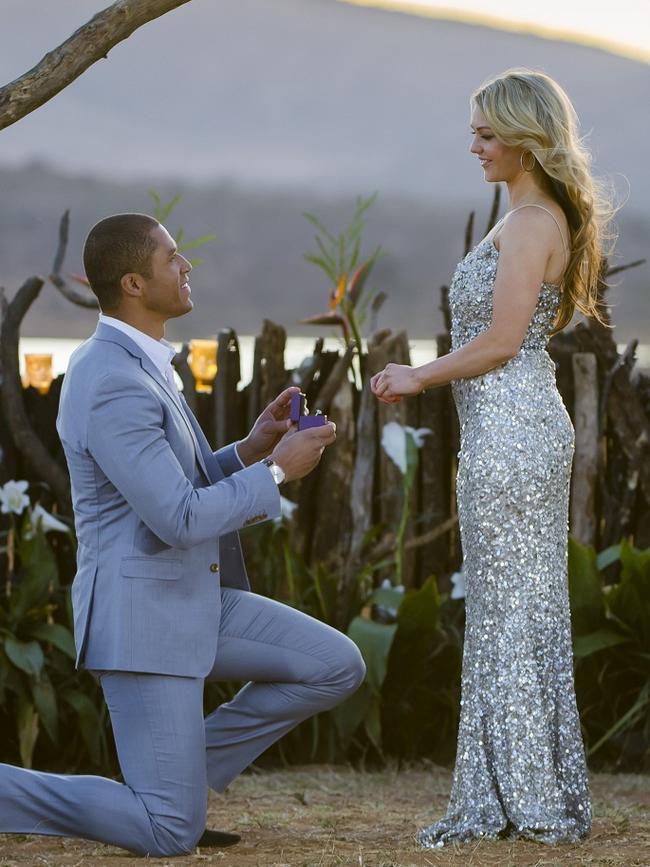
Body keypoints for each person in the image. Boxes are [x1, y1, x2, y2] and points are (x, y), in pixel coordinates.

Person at [0, 213, 365, 857]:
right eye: (174, 258)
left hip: (194, 596)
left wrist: (253, 448)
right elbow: (178, 518)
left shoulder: (141, 362)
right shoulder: (112, 379)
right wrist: (278, 472)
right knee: (169, 832)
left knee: (334, 665)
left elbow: (176, 487)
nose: (187, 266)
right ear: (136, 282)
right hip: (144, 616)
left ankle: (178, 778)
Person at [371, 69, 611, 846]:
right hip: (510, 426)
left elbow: (506, 340)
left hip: (512, 431)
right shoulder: (525, 215)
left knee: (512, 607)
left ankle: (520, 796)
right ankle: (523, 789)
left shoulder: (535, 220)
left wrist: (417, 374)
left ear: (526, 139)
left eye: (485, 133)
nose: (473, 146)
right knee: (518, 605)